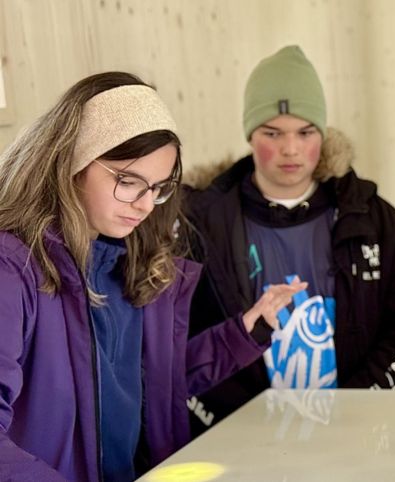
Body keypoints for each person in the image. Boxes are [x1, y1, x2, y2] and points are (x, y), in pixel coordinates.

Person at [0, 72, 295, 481]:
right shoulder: (13, 270)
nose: (143, 205)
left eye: (157, 188)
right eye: (126, 181)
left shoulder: (134, 264)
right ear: (72, 162)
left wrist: (244, 331)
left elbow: (154, 388)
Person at [183, 45, 395, 435]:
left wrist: (354, 413)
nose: (290, 149)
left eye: (305, 132)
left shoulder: (378, 221)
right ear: (250, 135)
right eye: (272, 133)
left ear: (322, 135)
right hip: (244, 450)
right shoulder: (198, 226)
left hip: (360, 446)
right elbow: (180, 345)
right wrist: (239, 430)